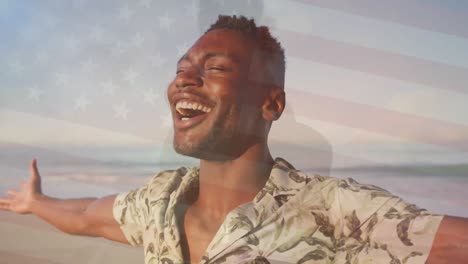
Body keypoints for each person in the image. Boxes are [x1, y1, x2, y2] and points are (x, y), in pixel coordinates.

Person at [1, 15, 467, 264]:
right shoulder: (160, 202)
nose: (186, 79)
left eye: (216, 69)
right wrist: (35, 203)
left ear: (271, 104)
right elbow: (86, 215)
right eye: (182, 68)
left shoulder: (334, 211)